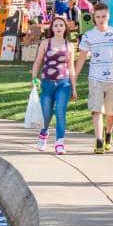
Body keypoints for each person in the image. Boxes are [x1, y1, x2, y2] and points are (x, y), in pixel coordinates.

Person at [74, 3, 113, 154]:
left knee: (112, 112)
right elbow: (81, 58)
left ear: (108, 16)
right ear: (94, 18)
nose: (101, 19)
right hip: (95, 78)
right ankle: (99, 140)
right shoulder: (89, 36)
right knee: (97, 110)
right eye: (98, 17)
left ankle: (109, 132)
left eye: (104, 16)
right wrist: (74, 78)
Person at [30, 16, 77, 155]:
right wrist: (34, 78)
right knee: (46, 113)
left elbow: (71, 67)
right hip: (47, 83)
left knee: (60, 112)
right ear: (52, 28)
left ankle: (59, 143)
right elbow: (38, 62)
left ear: (65, 28)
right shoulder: (46, 43)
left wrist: (73, 87)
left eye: (61, 25)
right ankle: (43, 133)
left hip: (64, 83)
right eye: (55, 25)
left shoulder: (69, 45)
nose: (58, 28)